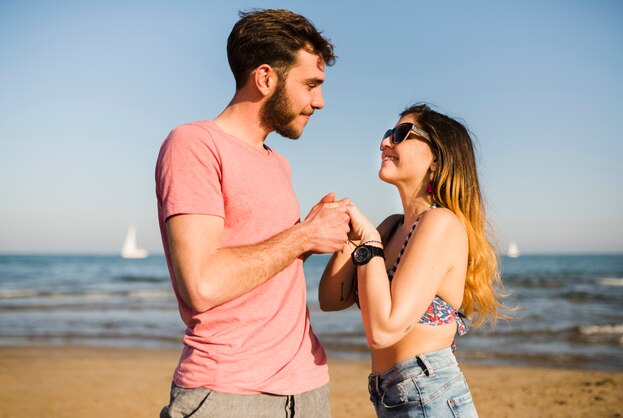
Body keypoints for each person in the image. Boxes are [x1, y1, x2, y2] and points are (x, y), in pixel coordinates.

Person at [156, 9, 350, 418]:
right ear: (265, 78)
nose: (320, 101)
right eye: (311, 85)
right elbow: (203, 284)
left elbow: (263, 256)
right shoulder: (193, 144)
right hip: (229, 391)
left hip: (308, 387)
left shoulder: (279, 163)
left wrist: (312, 234)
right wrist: (303, 236)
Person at [319, 103, 508, 417]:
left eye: (400, 134)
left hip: (428, 391)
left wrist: (367, 243)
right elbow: (330, 299)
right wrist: (350, 241)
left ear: (436, 157)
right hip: (393, 394)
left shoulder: (440, 223)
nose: (385, 143)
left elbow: (384, 331)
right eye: (387, 135)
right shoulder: (392, 226)